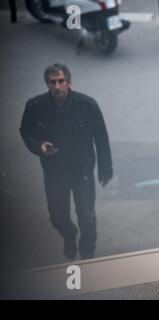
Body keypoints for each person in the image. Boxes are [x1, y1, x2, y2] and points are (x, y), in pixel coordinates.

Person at [20, 63, 113, 260]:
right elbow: (26, 131)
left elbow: (101, 137)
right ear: (47, 84)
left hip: (83, 171)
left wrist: (105, 170)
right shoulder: (35, 106)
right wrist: (39, 146)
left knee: (87, 217)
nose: (57, 86)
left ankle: (87, 250)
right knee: (57, 218)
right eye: (53, 82)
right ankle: (69, 236)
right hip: (55, 172)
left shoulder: (87, 105)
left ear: (68, 82)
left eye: (61, 81)